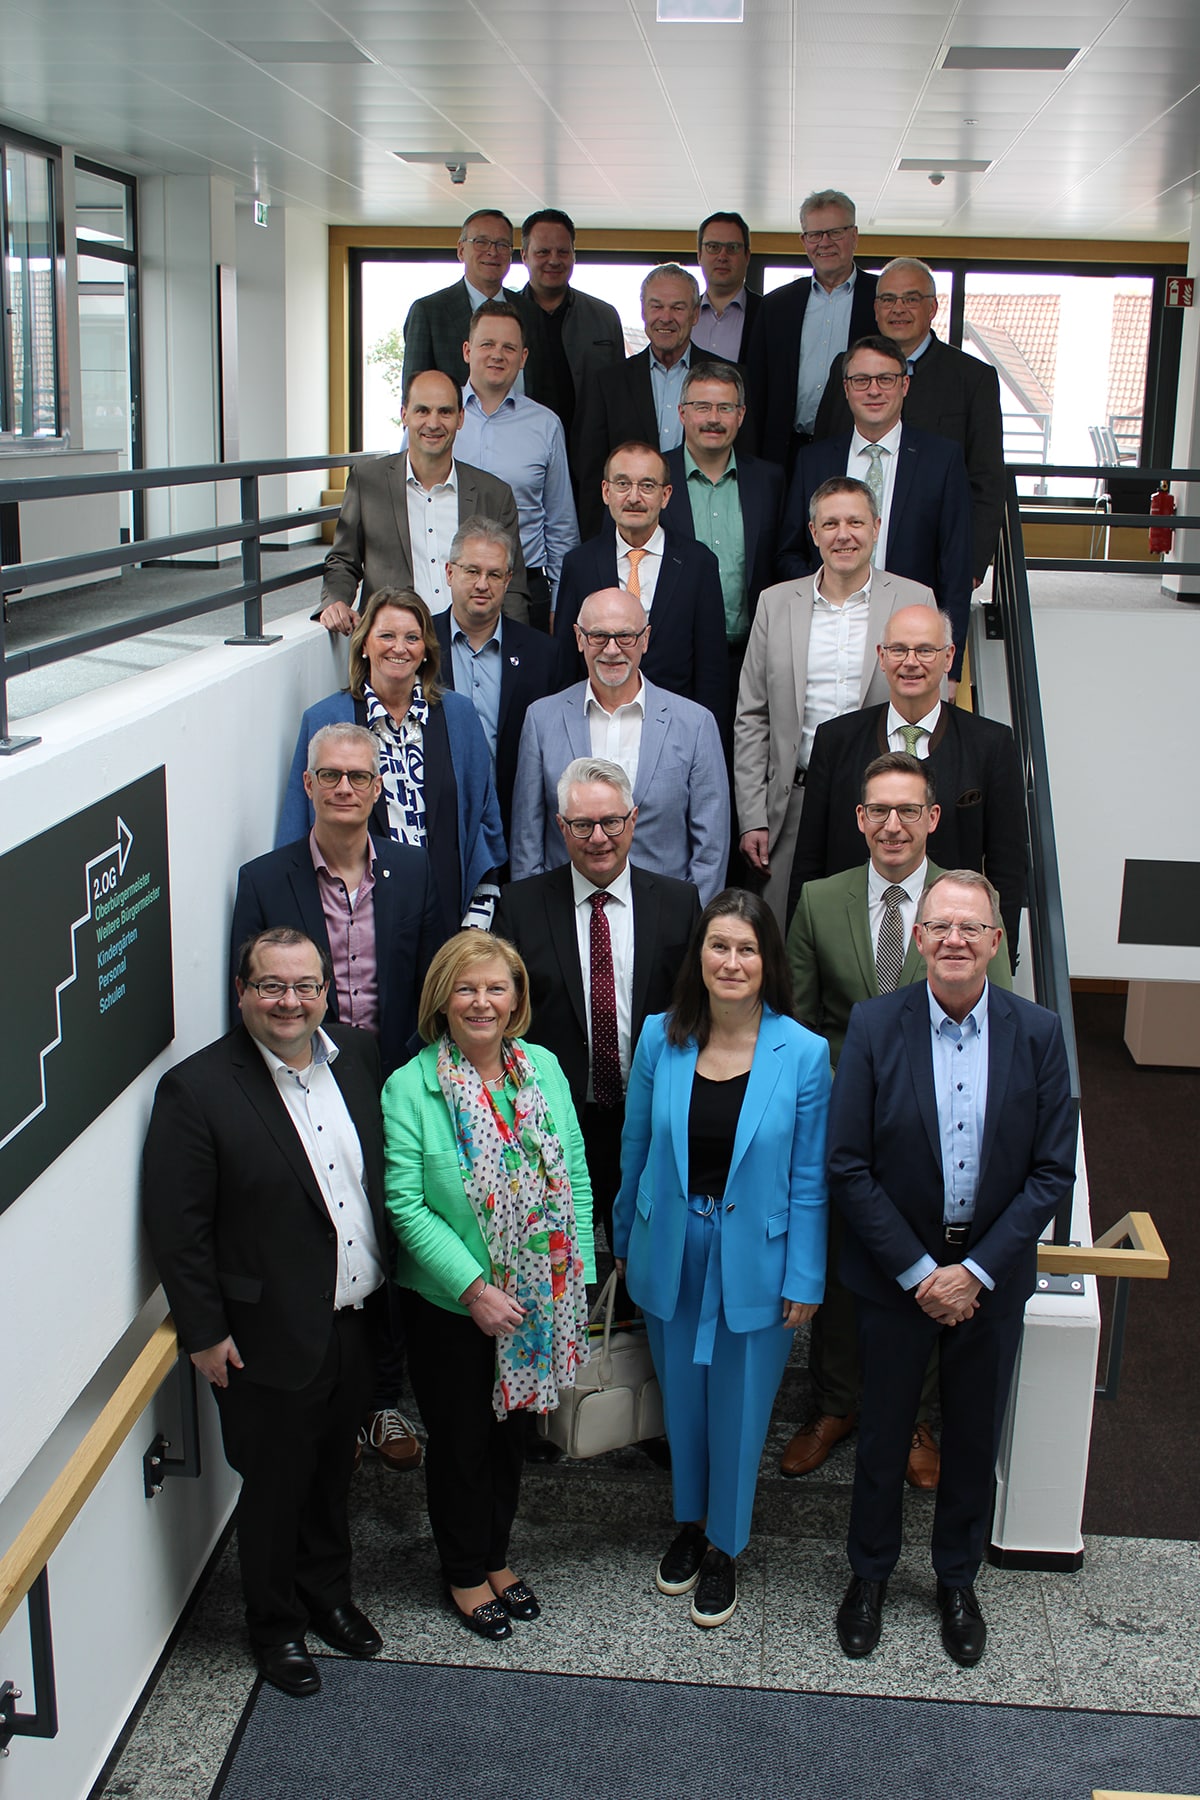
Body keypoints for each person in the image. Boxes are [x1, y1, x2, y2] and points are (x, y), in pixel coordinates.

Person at [828, 871, 1075, 1666]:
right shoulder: (874, 1025)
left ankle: (956, 1580)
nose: (955, 941)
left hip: (990, 1280)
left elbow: (1050, 1171)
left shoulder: (1037, 1033)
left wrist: (977, 1273)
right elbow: (849, 1164)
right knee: (882, 1435)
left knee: (970, 1437)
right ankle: (867, 1577)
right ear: (920, 940)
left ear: (996, 942)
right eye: (940, 928)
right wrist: (919, 1271)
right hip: (898, 1276)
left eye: (972, 928)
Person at [142, 928, 387, 1697]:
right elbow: (179, 1230)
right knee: (275, 1488)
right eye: (272, 986)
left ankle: (328, 1593)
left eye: (305, 987)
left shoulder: (358, 1058)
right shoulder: (198, 1089)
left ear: (326, 991)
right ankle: (275, 1625)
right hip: (262, 1336)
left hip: (356, 1318)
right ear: (243, 991)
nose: (290, 1002)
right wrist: (205, 1332)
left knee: (333, 1474)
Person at [781, 753, 1012, 1492]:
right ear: (858, 819)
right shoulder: (820, 899)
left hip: (939, 1137)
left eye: (908, 810)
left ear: (932, 819)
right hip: (845, 1125)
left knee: (927, 1268)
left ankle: (913, 1416)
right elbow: (800, 1021)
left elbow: (997, 1018)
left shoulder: (964, 902)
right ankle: (836, 1405)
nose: (892, 824)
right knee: (846, 1267)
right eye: (878, 809)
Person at [612, 890, 831, 1629]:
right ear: (697, 956)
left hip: (758, 1265)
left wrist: (805, 1276)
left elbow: (809, 1177)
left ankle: (725, 1545)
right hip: (671, 1249)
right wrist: (622, 1242)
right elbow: (635, 1149)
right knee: (683, 1399)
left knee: (741, 1408)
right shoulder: (658, 1039)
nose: (731, 962)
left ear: (768, 962)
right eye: (719, 947)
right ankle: (688, 1522)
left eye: (747, 949)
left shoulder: (802, 1053)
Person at [233, 723, 443, 1477]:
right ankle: (332, 1393)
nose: (346, 788)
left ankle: (381, 1395)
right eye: (331, 776)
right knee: (326, 1227)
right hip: (303, 1081)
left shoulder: (417, 870)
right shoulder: (264, 878)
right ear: (309, 785)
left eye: (359, 776)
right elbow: (251, 991)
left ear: (379, 786)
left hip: (394, 1080)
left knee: (387, 1220)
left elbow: (433, 979)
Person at [382, 931, 595, 1640]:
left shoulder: (543, 1068)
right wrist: (475, 1289)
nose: (481, 1002)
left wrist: (580, 1279)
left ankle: (498, 1556)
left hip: (538, 1298)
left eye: (496, 988)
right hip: (453, 1307)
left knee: (513, 1438)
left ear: (517, 999)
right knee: (464, 1440)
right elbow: (406, 1205)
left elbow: (576, 1171)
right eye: (466, 988)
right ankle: (466, 1572)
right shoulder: (411, 1086)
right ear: (442, 998)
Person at [493, 756, 701, 1274]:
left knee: (650, 1254)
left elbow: (694, 1007)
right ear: (561, 827)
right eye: (582, 825)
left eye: (611, 822)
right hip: (556, 1118)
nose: (599, 837)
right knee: (563, 1262)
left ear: (634, 820)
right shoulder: (521, 907)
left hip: (652, 1112)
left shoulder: (678, 903)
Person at [734, 476, 936, 926]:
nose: (843, 534)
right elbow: (752, 715)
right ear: (813, 532)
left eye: (855, 522)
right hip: (794, 805)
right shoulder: (775, 603)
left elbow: (925, 706)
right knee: (789, 939)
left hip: (886, 810)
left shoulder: (913, 599)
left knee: (878, 930)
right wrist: (753, 816)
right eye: (830, 523)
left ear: (876, 527)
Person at [787, 605, 1028, 954]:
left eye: (925, 650)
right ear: (881, 658)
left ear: (948, 658)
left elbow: (1007, 866)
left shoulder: (989, 744)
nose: (910, 662)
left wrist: (997, 955)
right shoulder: (835, 741)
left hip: (951, 948)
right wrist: (800, 950)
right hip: (849, 946)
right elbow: (809, 858)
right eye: (898, 650)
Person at [279, 587, 506, 938]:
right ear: (365, 645)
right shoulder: (325, 719)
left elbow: (484, 821)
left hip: (446, 920)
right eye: (386, 635)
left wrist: (475, 926)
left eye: (412, 637)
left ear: (426, 651)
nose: (399, 647)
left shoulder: (459, 716)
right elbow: (297, 824)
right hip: (354, 923)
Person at [510, 587, 730, 904]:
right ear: (579, 638)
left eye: (625, 636)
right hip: (565, 916)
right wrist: (534, 917)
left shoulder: (695, 725)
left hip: (664, 920)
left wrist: (692, 924)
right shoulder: (541, 720)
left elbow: (711, 848)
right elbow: (527, 840)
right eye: (599, 636)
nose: (612, 650)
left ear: (645, 639)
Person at [777, 335, 973, 675]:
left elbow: (955, 569)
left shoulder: (942, 460)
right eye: (861, 380)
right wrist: (830, 589)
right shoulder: (814, 461)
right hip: (826, 629)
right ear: (846, 388)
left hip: (910, 644)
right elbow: (789, 553)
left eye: (886, 379)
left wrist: (949, 669)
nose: (873, 390)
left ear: (904, 385)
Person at [813, 257, 1005, 584]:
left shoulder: (973, 378)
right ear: (875, 309)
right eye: (888, 299)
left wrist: (972, 563)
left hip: (930, 558)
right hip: (844, 559)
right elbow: (825, 452)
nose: (898, 309)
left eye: (911, 299)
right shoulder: (845, 367)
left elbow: (987, 477)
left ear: (932, 308)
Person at [317, 369, 530, 632]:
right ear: (404, 414)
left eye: (445, 412)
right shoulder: (368, 482)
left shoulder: (494, 494)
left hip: (469, 646)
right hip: (395, 650)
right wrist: (336, 601)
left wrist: (515, 657)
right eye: (422, 411)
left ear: (461, 418)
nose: (433, 423)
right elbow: (343, 560)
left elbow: (513, 587)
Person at [553, 440, 729, 734]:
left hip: (675, 730)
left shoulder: (698, 564)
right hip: (596, 725)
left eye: (647, 486)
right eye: (622, 484)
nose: (634, 497)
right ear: (606, 492)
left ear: (666, 495)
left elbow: (711, 670)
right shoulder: (579, 564)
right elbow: (566, 663)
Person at [431, 517, 561, 841]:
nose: (481, 584)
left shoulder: (542, 654)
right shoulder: (419, 644)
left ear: (508, 580)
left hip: (514, 826)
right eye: (472, 571)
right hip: (437, 825)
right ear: (450, 572)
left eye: (494, 574)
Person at [454, 299, 579, 630]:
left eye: (509, 347)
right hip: (450, 583)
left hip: (524, 587)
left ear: (523, 358)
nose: (498, 354)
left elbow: (560, 522)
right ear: (468, 350)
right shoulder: (437, 419)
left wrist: (559, 601)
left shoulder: (545, 425)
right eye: (487, 344)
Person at [660, 360, 784, 694]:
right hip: (674, 658)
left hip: (751, 657)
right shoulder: (654, 477)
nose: (713, 419)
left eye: (725, 408)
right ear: (682, 413)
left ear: (740, 415)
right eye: (702, 407)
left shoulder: (770, 481)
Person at [574, 264, 722, 535]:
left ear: (695, 315)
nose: (665, 317)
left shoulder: (727, 379)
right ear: (643, 311)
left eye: (677, 308)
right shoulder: (608, 383)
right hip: (628, 532)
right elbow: (590, 472)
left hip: (706, 527)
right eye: (656, 307)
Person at [743, 189, 879, 472]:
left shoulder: (881, 299)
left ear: (854, 236)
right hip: (784, 454)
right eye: (815, 234)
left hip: (857, 448)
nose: (825, 243)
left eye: (835, 232)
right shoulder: (776, 306)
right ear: (804, 241)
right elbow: (756, 389)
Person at [511, 207, 625, 478]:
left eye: (563, 252)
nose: (554, 260)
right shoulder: (506, 316)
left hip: (592, 463)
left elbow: (620, 395)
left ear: (575, 255)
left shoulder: (603, 316)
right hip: (522, 457)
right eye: (543, 252)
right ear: (525, 256)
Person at [401, 209, 522, 387]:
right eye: (481, 242)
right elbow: (415, 394)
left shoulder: (530, 312)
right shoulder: (428, 312)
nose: (492, 251)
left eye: (502, 245)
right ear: (461, 250)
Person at [691, 211, 761, 362]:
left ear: (747, 256)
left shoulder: (768, 315)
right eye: (713, 247)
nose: (722, 256)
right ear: (699, 255)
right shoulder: (684, 315)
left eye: (733, 247)